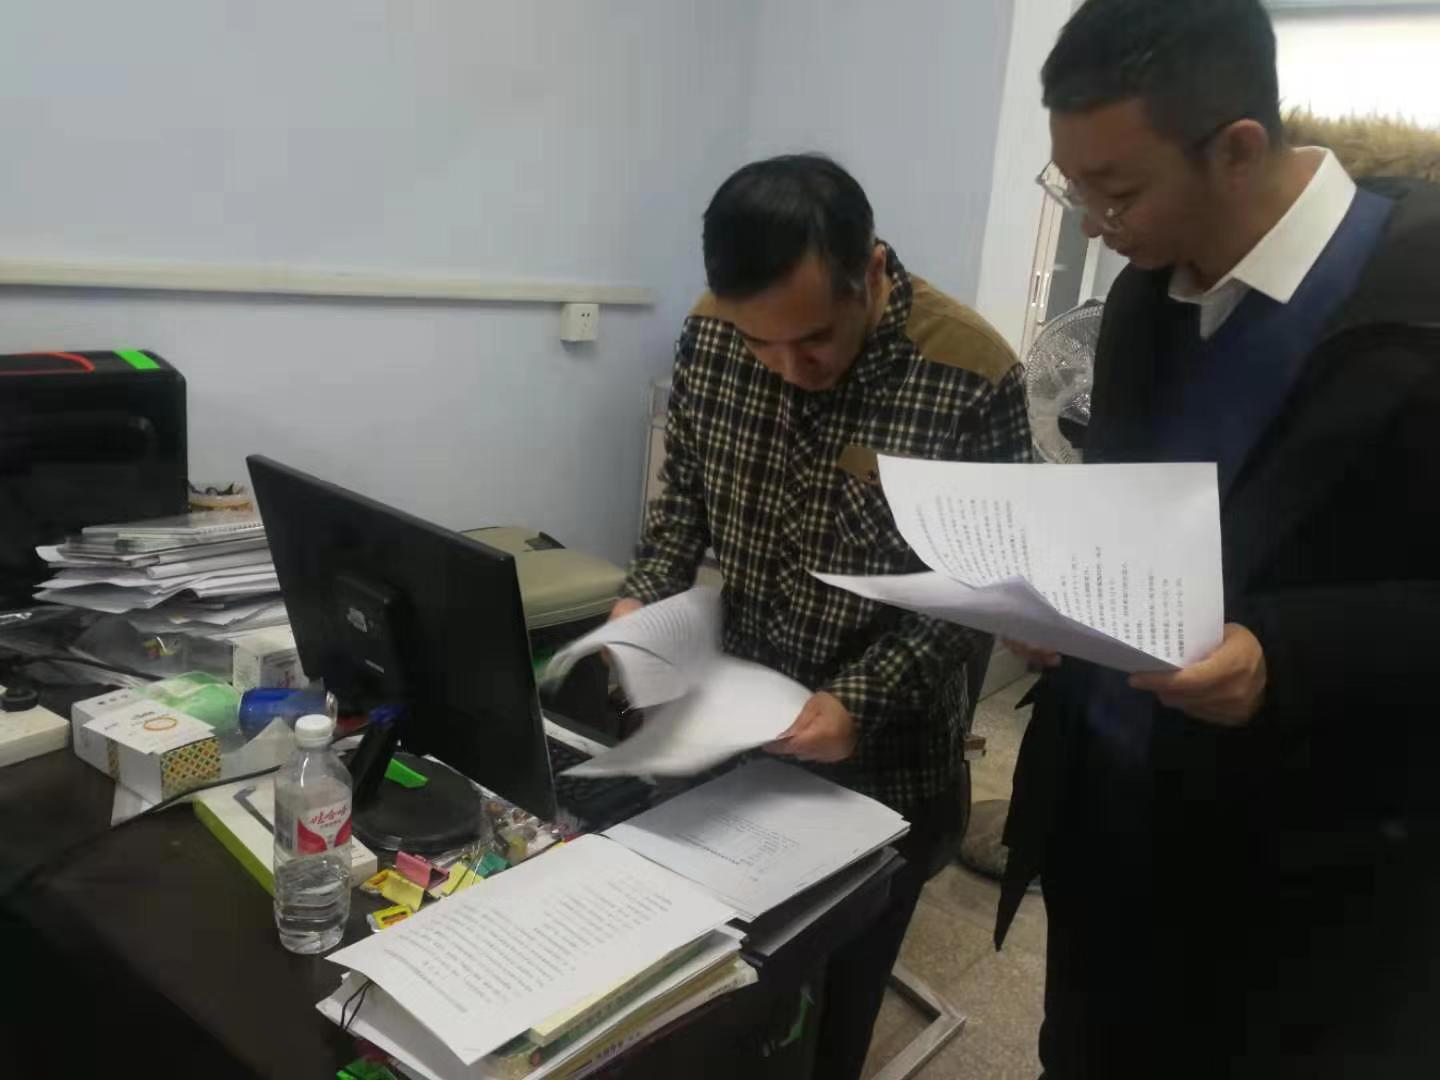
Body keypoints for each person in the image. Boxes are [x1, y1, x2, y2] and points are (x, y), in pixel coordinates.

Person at [998, 2, 1440, 1078]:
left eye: (1118, 191)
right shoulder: (1142, 301)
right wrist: (1060, 602)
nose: (1096, 225)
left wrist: (1283, 655)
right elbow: (1132, 514)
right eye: (1074, 188)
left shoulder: (1416, 302)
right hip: (1107, 833)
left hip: (1313, 882)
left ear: (1237, 148)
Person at [614, 154, 1032, 1078]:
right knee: (718, 998)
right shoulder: (713, 330)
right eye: (761, 345)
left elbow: (982, 587)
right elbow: (683, 500)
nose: (789, 368)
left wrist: (858, 701)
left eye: (814, 340)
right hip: (731, 736)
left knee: (831, 1017)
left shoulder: (968, 374)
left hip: (883, 763)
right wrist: (644, 597)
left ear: (871, 272)